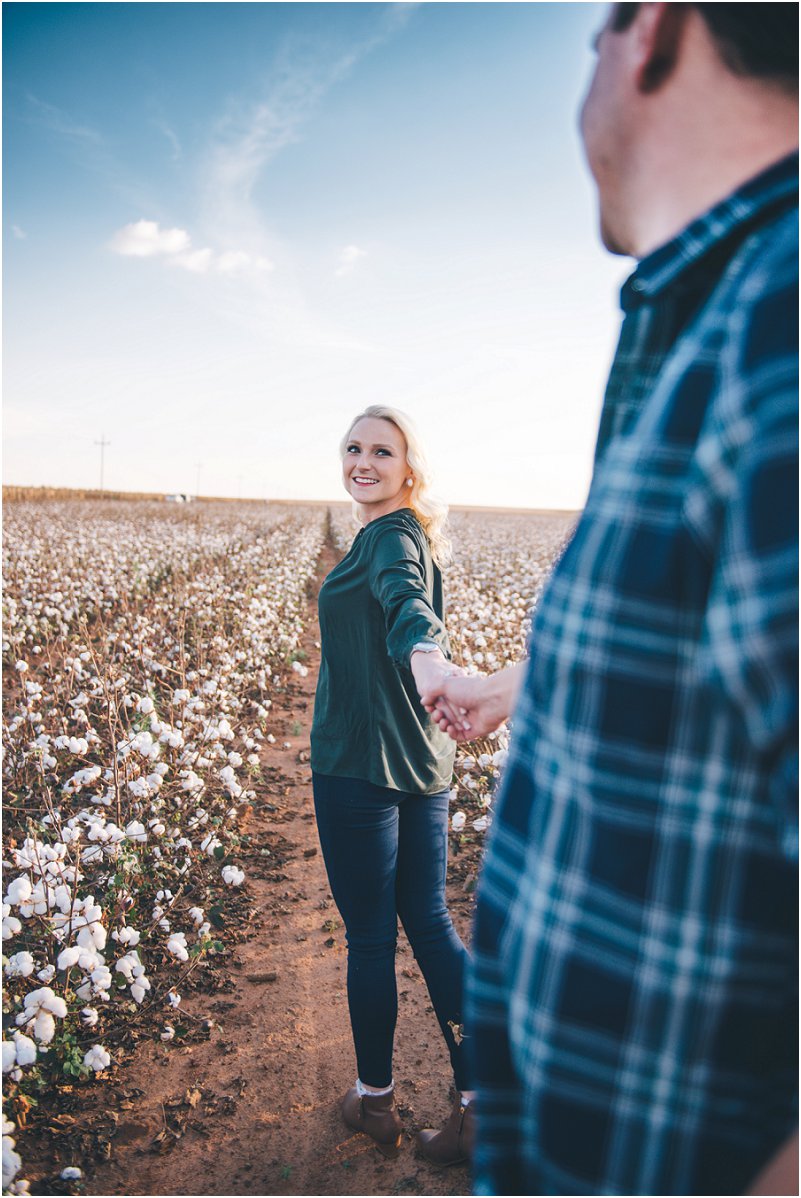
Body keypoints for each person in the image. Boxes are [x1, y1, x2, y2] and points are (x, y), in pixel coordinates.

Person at [422, 4, 798, 1194]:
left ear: (658, 32)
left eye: (593, 38)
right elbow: (718, 652)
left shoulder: (781, 321)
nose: (585, 75)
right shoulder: (719, 315)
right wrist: (519, 684)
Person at [309, 404, 476, 1165]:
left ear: (410, 467)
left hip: (359, 767)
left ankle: (374, 1101)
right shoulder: (403, 534)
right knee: (430, 922)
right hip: (422, 765)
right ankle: (482, 1102)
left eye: (382, 450)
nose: (363, 461)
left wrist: (429, 662)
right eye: (353, 448)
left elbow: (407, 607)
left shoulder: (388, 537)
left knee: (373, 936)